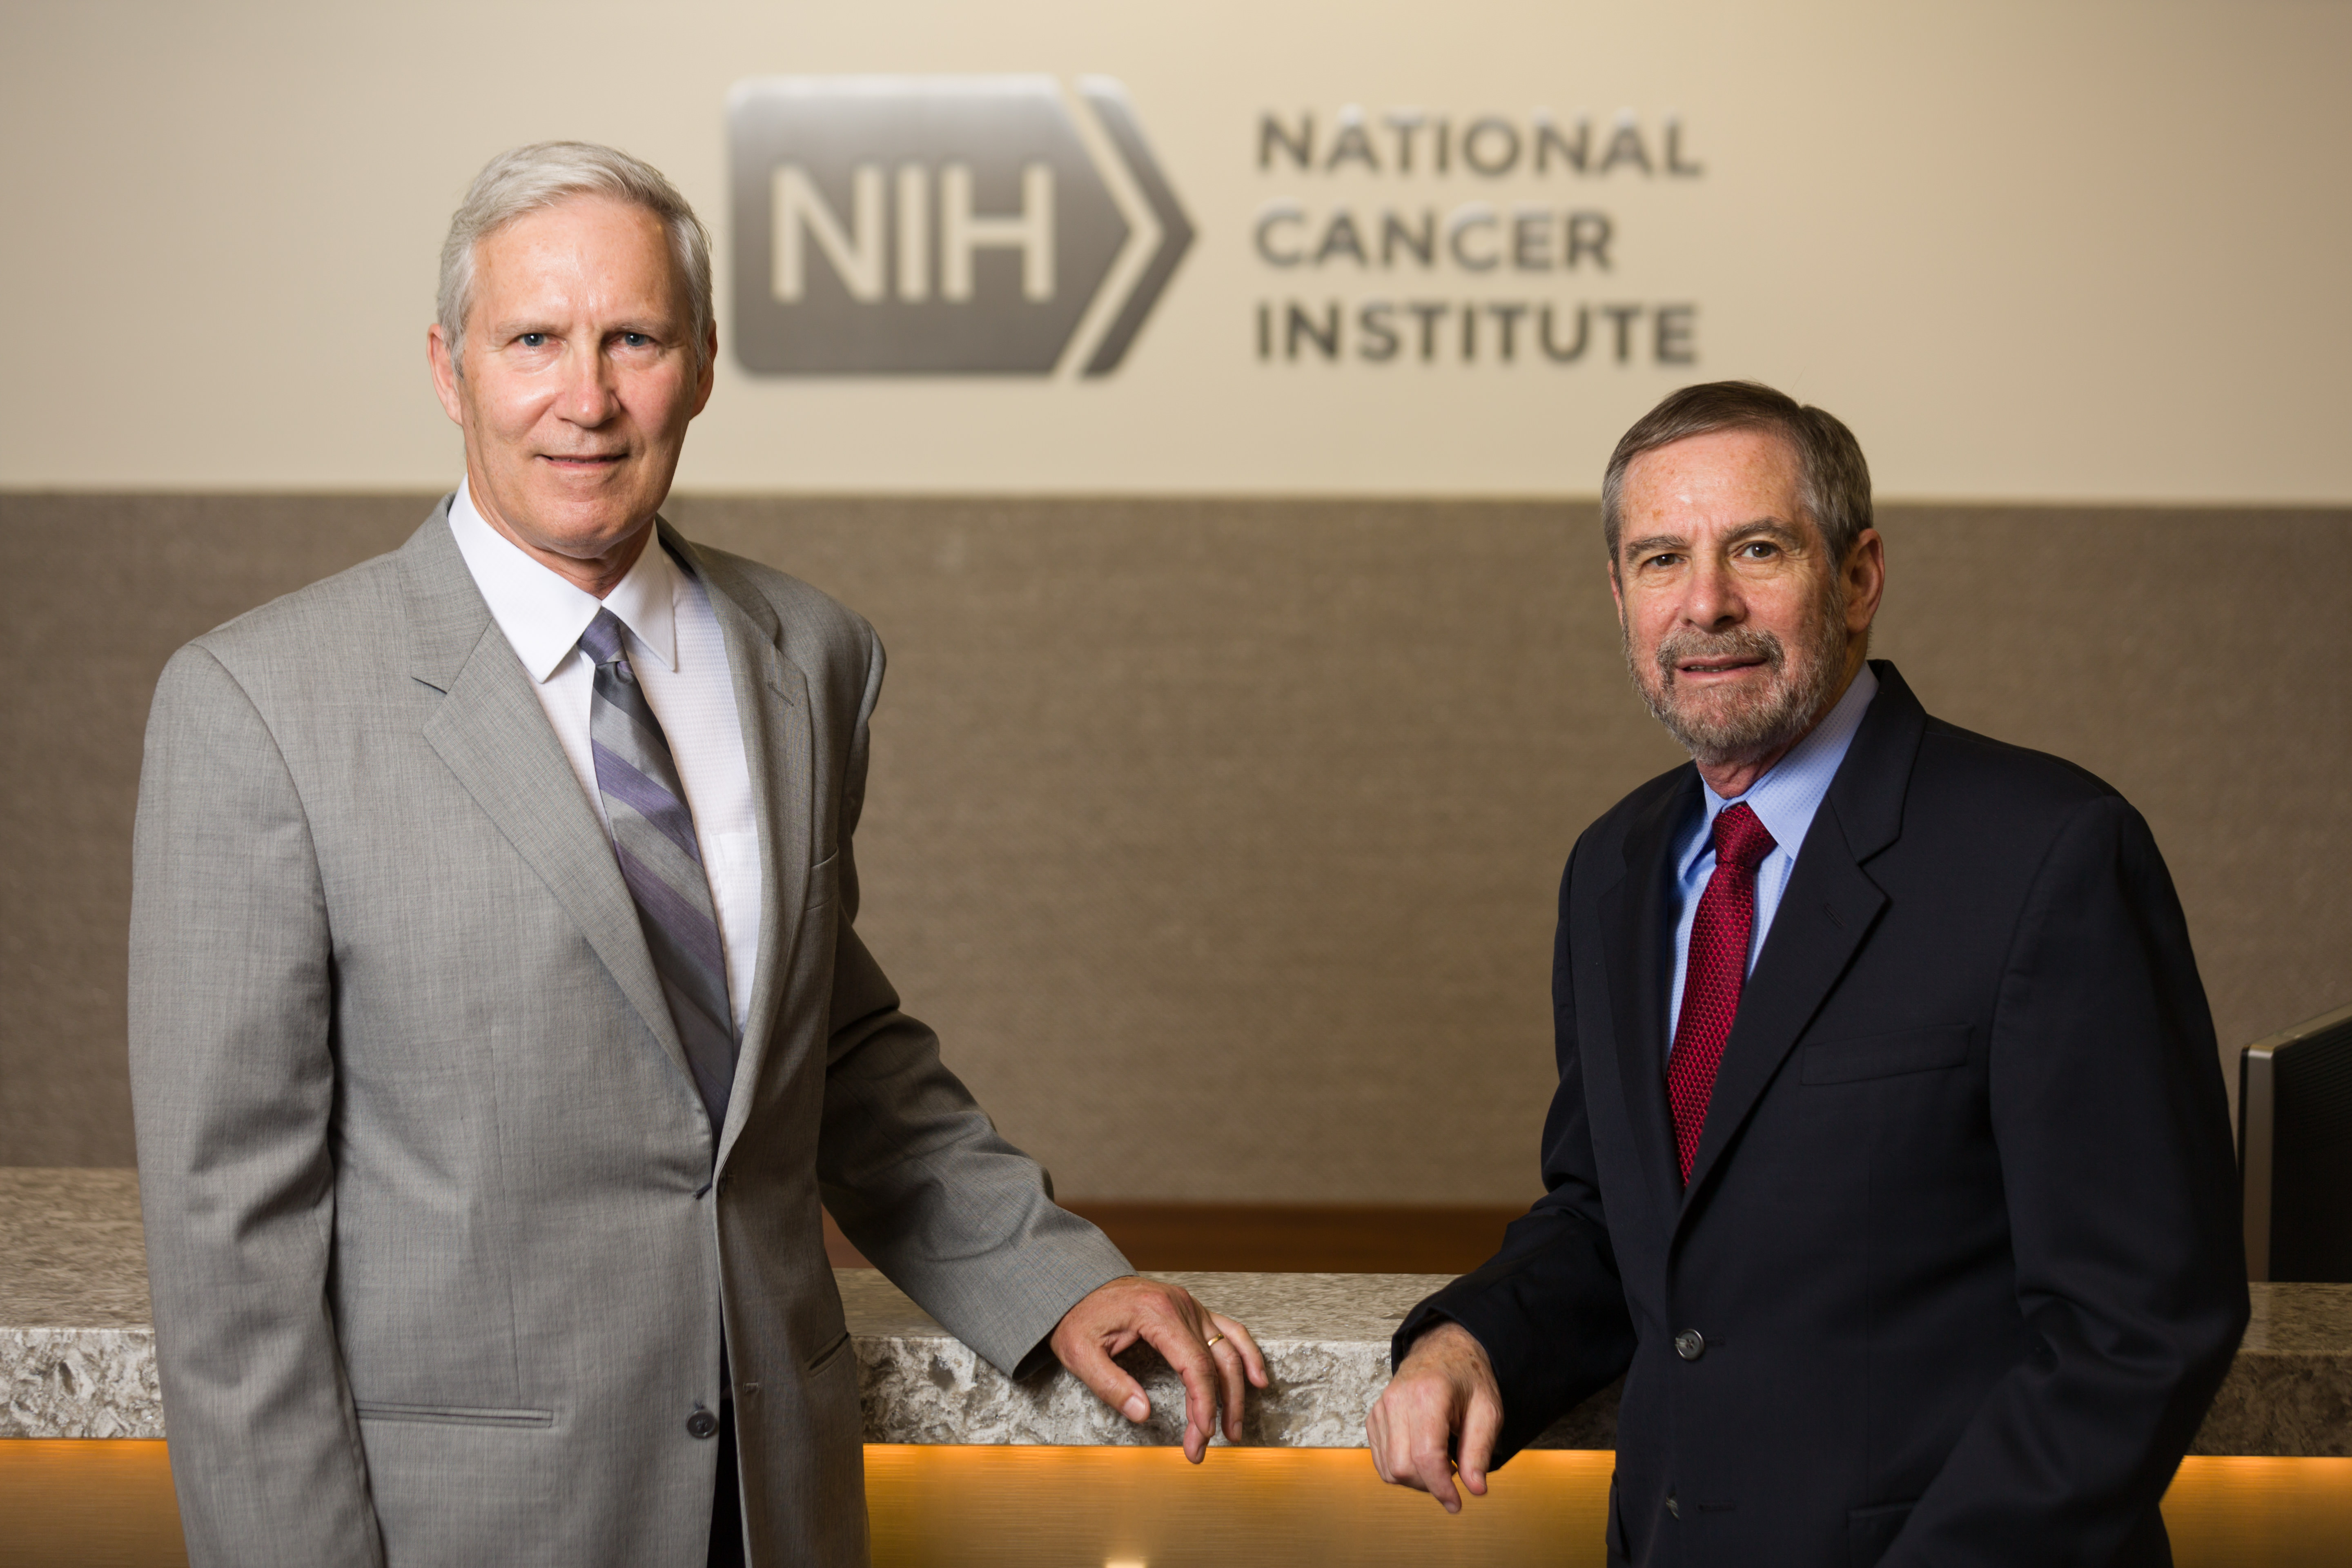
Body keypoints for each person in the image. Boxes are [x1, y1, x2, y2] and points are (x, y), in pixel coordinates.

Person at [129, 142, 1265, 1568]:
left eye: (635, 339)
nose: (586, 398)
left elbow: (825, 1050)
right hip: (461, 1531)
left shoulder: (811, 657)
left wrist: (1053, 1284)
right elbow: (232, 1244)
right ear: (448, 367)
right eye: (533, 339)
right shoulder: (261, 706)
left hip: (777, 1505)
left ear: (705, 362)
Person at [1364, 381, 2247, 1566]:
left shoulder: (2050, 853)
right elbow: (1614, 1221)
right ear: (1619, 598)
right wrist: (1469, 1341)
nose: (1707, 604)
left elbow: (2137, 1327)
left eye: (1758, 549)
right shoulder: (1616, 870)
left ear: (1861, 575)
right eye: (1662, 558)